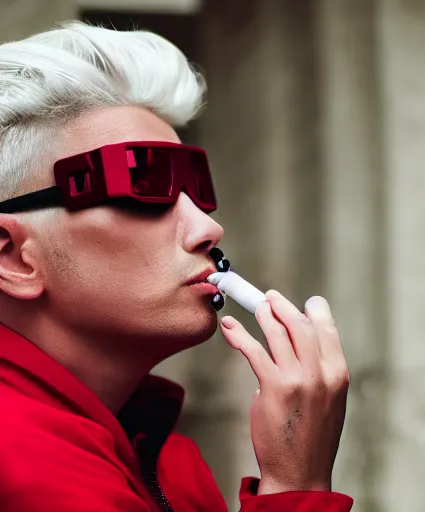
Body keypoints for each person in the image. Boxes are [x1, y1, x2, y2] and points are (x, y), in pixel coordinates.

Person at [0, 21, 353, 512]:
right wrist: (297, 485)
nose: (208, 228)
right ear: (12, 256)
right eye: (143, 188)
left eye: (196, 190)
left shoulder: (168, 455)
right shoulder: (20, 467)